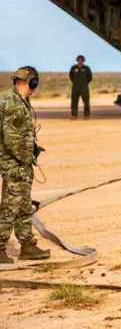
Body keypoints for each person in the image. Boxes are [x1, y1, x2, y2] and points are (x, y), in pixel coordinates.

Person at [0, 67, 51, 263]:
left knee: (23, 205)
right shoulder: (13, 104)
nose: (34, 89)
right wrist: (25, 157)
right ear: (30, 82)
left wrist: (32, 151)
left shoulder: (19, 101)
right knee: (10, 207)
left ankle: (27, 245)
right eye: (34, 84)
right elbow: (12, 138)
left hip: (20, 163)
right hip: (15, 165)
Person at [69, 54, 92, 119]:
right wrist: (75, 82)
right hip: (75, 87)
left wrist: (84, 83)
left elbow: (90, 77)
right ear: (77, 60)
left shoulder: (86, 68)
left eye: (81, 60)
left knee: (86, 101)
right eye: (79, 60)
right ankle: (74, 115)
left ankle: (86, 115)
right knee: (74, 101)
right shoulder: (73, 68)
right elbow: (71, 76)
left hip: (84, 87)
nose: (80, 61)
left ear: (83, 61)